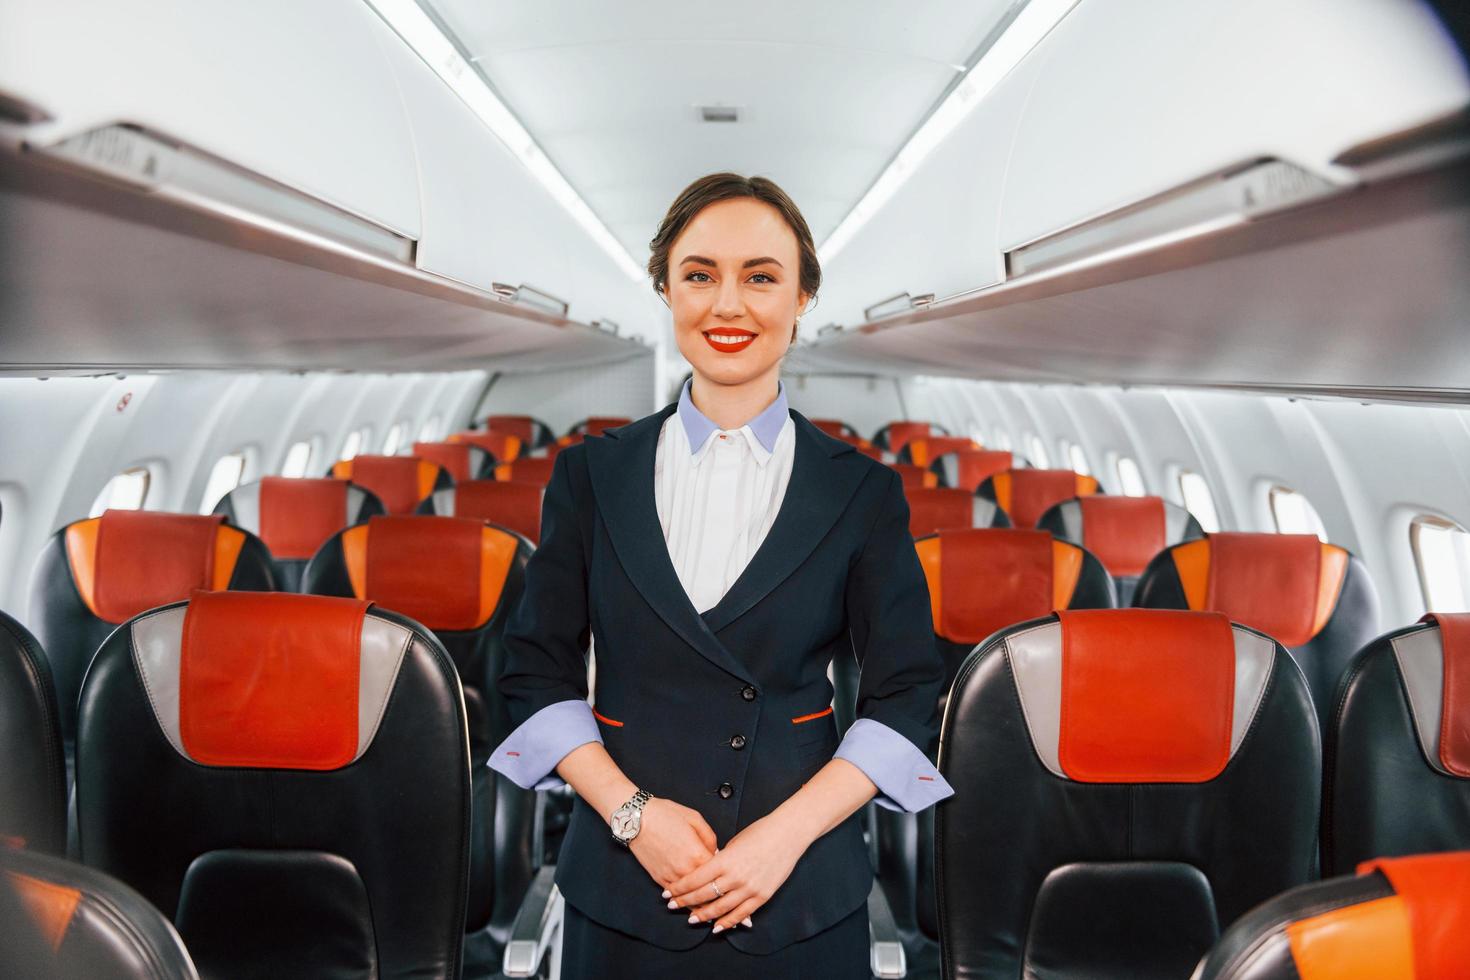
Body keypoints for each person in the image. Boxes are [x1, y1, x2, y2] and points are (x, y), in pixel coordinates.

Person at [489, 172, 953, 978]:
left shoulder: (862, 491)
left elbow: (906, 694)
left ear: (804, 295)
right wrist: (635, 817)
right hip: (625, 890)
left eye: (761, 277)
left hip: (801, 894)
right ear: (665, 288)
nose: (727, 306)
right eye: (699, 274)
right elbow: (534, 676)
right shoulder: (591, 476)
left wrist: (784, 838)